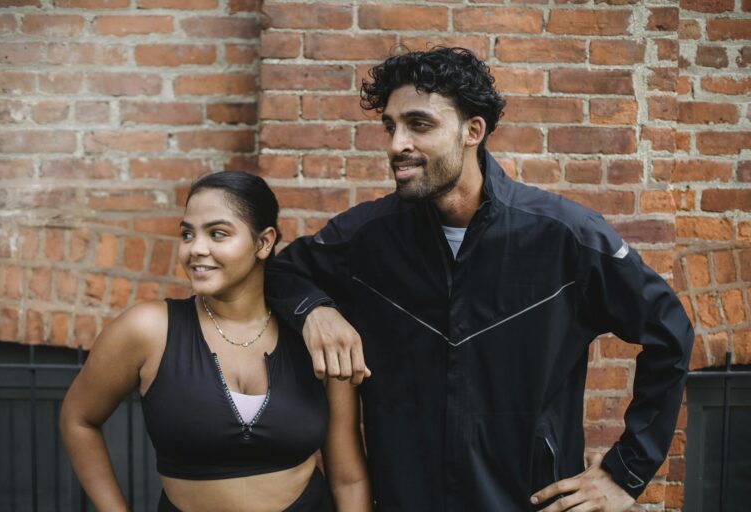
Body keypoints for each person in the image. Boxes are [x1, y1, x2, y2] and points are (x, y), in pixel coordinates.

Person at [265, 47, 694, 511]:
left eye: (419, 124)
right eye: (391, 126)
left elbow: (669, 332)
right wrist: (316, 310)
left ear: (473, 131)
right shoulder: (366, 239)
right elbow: (279, 273)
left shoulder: (564, 237)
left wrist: (624, 474)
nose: (396, 144)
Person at [60, 171, 371, 512]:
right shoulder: (148, 329)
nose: (196, 249)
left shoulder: (317, 338)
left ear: (263, 242)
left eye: (218, 234)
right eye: (187, 234)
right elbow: (78, 420)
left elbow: (348, 478)